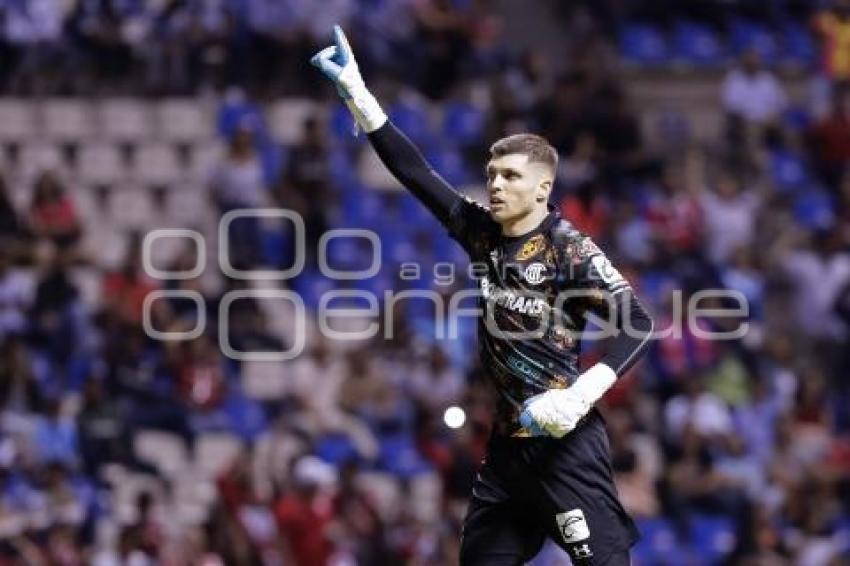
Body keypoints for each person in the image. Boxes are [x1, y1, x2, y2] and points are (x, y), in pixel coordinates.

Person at [312, 27, 654, 565]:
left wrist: (580, 395)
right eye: (491, 174)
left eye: (510, 176)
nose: (494, 185)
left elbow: (639, 323)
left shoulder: (570, 251)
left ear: (541, 188)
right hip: (508, 453)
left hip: (566, 447)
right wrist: (360, 96)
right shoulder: (483, 234)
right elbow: (416, 173)